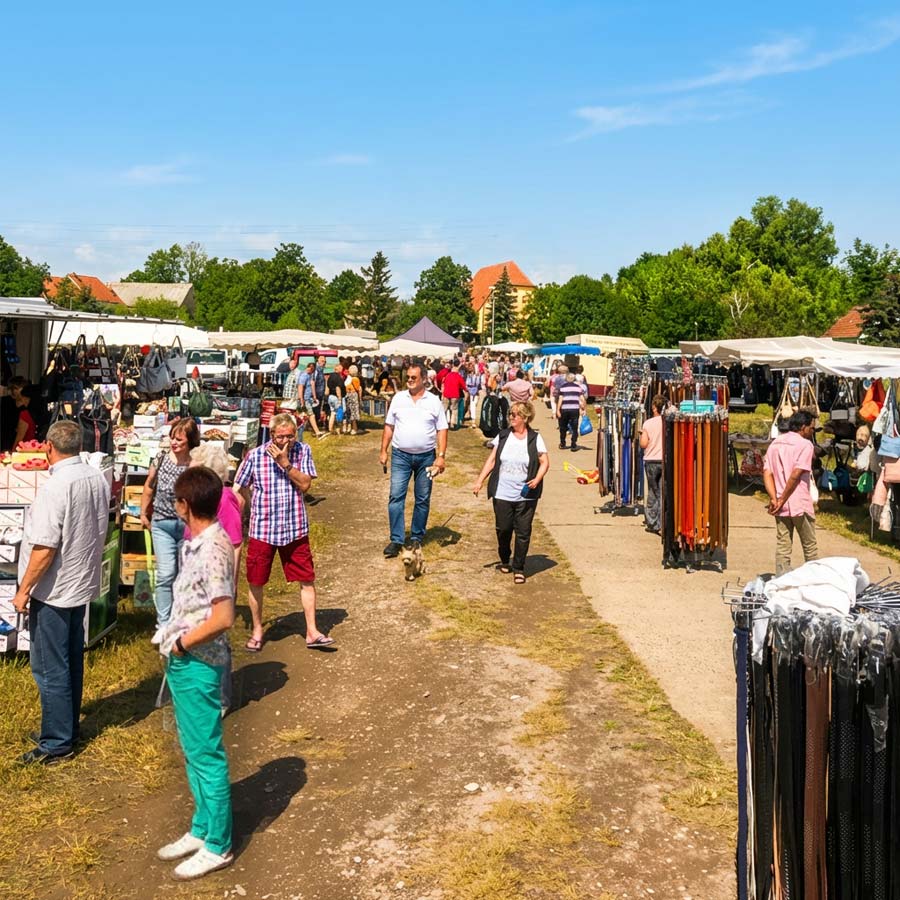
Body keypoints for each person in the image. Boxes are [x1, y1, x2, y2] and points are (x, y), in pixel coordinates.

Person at [13, 420, 110, 764]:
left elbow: (44, 546)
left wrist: (24, 589)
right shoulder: (95, 477)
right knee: (70, 660)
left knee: (49, 666)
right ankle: (66, 727)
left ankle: (56, 742)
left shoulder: (56, 487)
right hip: (79, 581)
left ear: (49, 448)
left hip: (53, 588)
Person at [156, 466, 235, 880]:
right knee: (193, 749)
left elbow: (224, 616)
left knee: (206, 753)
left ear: (185, 506)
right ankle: (203, 828)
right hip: (184, 658)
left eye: (176, 501)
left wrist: (184, 643)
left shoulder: (214, 549)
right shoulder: (197, 542)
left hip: (199, 661)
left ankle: (219, 843)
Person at [233, 413, 333, 651]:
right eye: (281, 437)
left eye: (290, 436)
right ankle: (257, 630)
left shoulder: (302, 451)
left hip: (294, 526)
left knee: (306, 578)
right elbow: (239, 487)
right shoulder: (255, 456)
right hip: (263, 528)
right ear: (271, 435)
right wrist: (242, 515)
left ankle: (312, 630)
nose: (286, 441)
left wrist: (286, 463)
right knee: (256, 580)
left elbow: (306, 484)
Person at [471, 401, 549, 584]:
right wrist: (479, 481)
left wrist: (536, 479)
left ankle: (519, 567)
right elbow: (491, 461)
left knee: (523, 531)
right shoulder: (504, 436)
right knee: (503, 529)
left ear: (525, 417)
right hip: (502, 492)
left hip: (526, 494)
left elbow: (545, 462)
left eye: (515, 414)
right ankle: (505, 558)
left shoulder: (535, 438)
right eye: (510, 414)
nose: (512, 417)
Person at [379, 364, 448, 557]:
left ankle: (417, 536)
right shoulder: (398, 399)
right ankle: (396, 539)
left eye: (413, 377)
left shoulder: (433, 401)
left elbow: (442, 429)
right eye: (408, 377)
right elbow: (389, 426)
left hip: (427, 457)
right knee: (395, 496)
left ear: (424, 379)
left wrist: (441, 457)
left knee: (422, 498)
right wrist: (383, 450)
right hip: (400, 455)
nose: (409, 380)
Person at [141, 418, 201, 639]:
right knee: (166, 574)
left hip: (187, 527)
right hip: (162, 523)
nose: (174, 443)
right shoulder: (160, 459)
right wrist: (143, 512)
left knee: (185, 575)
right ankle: (164, 624)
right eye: (172, 438)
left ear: (190, 441)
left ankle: (183, 620)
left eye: (179, 439)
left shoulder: (195, 465)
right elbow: (149, 486)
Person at [763, 409, 819, 576]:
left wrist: (775, 499)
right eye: (812, 428)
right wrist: (782, 499)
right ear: (803, 427)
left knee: (783, 545)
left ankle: (781, 580)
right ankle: (814, 580)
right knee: (810, 546)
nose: (812, 432)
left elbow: (767, 473)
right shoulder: (805, 445)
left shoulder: (776, 443)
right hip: (799, 503)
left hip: (780, 505)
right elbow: (796, 474)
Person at [640, 395, 667, 534]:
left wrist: (641, 435)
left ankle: (653, 522)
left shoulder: (648, 423)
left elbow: (644, 443)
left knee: (652, 490)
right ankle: (661, 522)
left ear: (654, 407)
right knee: (662, 491)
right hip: (664, 460)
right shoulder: (667, 422)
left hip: (651, 460)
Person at [555, 372, 586, 451]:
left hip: (564, 409)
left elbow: (560, 399)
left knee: (563, 427)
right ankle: (573, 444)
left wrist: (558, 410)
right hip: (574, 409)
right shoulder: (578, 388)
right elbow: (582, 399)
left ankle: (562, 443)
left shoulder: (562, 387)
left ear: (566, 379)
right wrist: (583, 408)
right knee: (574, 427)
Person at [297, 362, 324, 439]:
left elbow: (311, 386)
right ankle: (317, 432)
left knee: (304, 417)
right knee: (311, 415)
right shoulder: (304, 375)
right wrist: (302, 401)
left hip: (307, 399)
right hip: (304, 399)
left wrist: (314, 397)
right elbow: (300, 388)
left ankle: (314, 431)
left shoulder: (309, 375)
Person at [8, 376, 38, 447]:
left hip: (26, 444)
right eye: (10, 388)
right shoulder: (9, 403)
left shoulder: (30, 407)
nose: (12, 391)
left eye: (15, 388)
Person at [440, 359, 467, 430]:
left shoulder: (448, 375)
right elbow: (463, 385)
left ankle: (443, 423)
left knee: (444, 409)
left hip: (446, 393)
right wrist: (466, 390)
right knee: (454, 409)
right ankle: (452, 423)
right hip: (455, 394)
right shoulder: (458, 376)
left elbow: (444, 382)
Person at [325, 363, 345, 435]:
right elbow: (338, 388)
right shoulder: (338, 377)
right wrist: (339, 398)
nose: (342, 370)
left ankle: (330, 429)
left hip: (330, 397)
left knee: (333, 413)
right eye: (341, 368)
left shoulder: (330, 376)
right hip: (336, 397)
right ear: (338, 369)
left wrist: (326, 395)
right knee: (339, 413)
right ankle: (339, 429)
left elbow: (327, 387)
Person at [343, 365, 363, 436]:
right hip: (353, 396)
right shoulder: (355, 379)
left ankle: (352, 428)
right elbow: (357, 388)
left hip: (348, 396)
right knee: (354, 412)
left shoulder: (348, 378)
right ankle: (354, 429)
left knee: (350, 412)